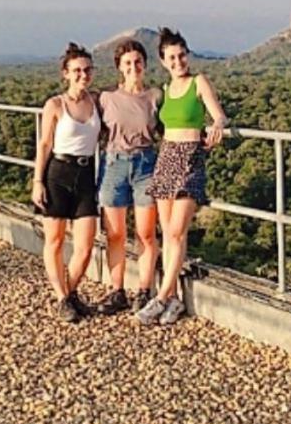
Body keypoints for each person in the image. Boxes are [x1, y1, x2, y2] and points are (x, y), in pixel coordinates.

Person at [138, 27, 228, 326]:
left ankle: (160, 297)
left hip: (190, 158)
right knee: (169, 234)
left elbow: (218, 114)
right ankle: (174, 299)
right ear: (163, 61)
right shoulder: (164, 91)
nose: (178, 62)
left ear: (188, 54)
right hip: (166, 157)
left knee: (176, 231)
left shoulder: (198, 82)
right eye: (172, 58)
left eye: (182, 55)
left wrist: (217, 126)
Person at [32, 43, 101, 323]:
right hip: (58, 172)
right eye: (76, 71)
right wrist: (38, 180)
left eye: (86, 70)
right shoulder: (55, 104)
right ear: (65, 73)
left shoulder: (96, 101)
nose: (82, 75)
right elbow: (44, 143)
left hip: (86, 174)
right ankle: (63, 297)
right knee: (56, 240)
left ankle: (70, 294)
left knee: (85, 245)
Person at [95, 39, 163, 315]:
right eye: (127, 63)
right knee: (115, 233)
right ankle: (117, 290)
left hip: (146, 164)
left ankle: (144, 290)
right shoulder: (105, 98)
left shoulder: (155, 96)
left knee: (146, 233)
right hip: (114, 164)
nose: (133, 67)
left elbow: (168, 130)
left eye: (138, 62)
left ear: (145, 65)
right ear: (119, 68)